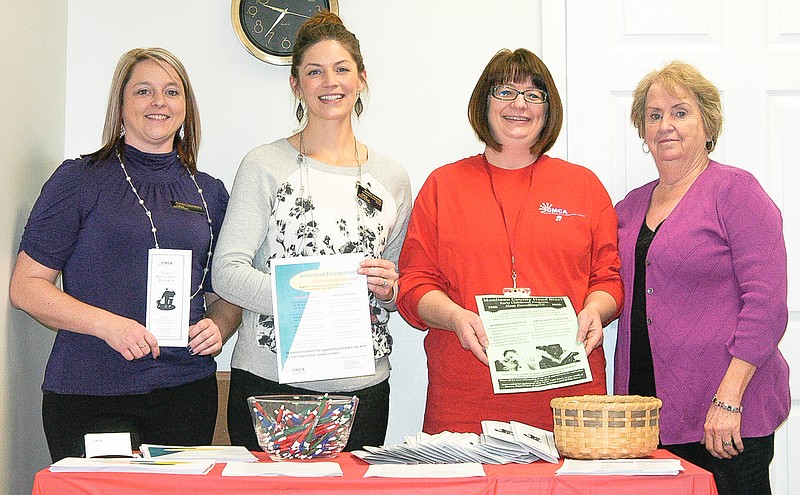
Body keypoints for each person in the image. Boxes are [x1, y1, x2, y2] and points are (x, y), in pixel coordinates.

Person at [9, 47, 241, 462]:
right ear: (120, 104)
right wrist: (109, 326)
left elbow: (225, 294)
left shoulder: (211, 193)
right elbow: (26, 288)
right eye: (143, 91)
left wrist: (220, 325)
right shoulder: (78, 180)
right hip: (90, 392)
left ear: (185, 108)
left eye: (172, 92)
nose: (159, 102)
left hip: (186, 392)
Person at [212, 12, 412, 452]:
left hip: (362, 389)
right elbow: (226, 273)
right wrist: (310, 298)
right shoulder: (263, 165)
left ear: (361, 78)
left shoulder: (392, 177)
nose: (330, 81)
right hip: (270, 383)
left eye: (341, 69)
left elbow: (397, 285)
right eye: (314, 71)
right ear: (295, 85)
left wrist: (389, 289)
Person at [397, 48, 622, 435]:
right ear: (483, 103)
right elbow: (414, 284)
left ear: (548, 110)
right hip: (464, 404)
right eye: (505, 91)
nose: (520, 104)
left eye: (534, 94)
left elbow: (609, 279)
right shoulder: (443, 186)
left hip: (570, 406)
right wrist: (455, 316)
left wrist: (596, 311)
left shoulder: (583, 186)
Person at [614, 61, 790, 495]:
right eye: (654, 116)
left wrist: (729, 398)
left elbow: (766, 306)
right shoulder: (628, 208)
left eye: (679, 112)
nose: (665, 126)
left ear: (707, 123)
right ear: (642, 131)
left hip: (724, 416)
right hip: (646, 416)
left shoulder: (736, 192)